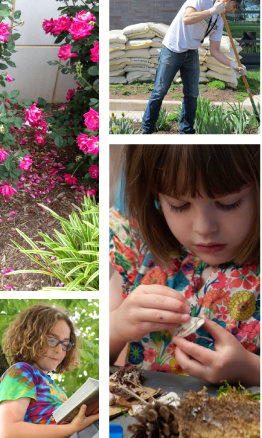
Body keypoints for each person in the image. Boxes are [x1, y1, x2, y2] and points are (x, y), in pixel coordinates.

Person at [110, 145, 260, 386]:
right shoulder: (139, 252)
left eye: (228, 203)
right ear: (155, 197)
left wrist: (250, 369)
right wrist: (116, 327)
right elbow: (94, 361)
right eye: (179, 205)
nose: (203, 227)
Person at [142, 0, 246, 134]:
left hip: (191, 53)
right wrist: (212, 11)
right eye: (234, 7)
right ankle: (146, 131)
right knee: (160, 91)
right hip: (172, 49)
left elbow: (215, 50)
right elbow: (187, 19)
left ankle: (186, 132)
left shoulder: (219, 21)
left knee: (192, 94)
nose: (233, 12)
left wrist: (233, 64)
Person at [0, 303, 99, 438]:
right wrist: (72, 428)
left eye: (65, 344)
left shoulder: (53, 387)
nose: (59, 350)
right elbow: (8, 434)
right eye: (52, 340)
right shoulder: (20, 372)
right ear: (31, 337)